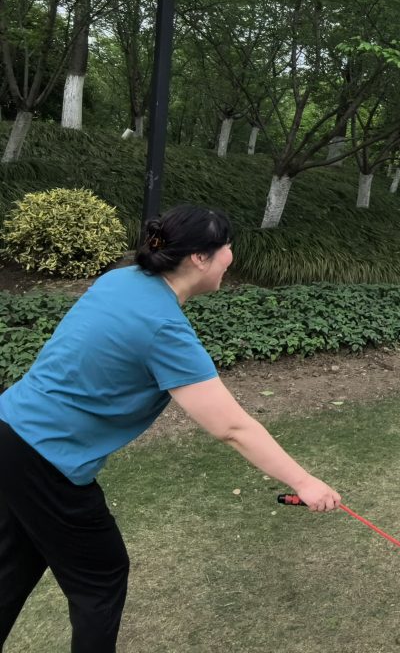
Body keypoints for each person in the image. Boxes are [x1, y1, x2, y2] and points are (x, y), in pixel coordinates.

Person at [0, 205, 341, 652]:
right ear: (200, 257)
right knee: (101, 575)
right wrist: (304, 481)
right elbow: (232, 427)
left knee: (15, 561)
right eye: (226, 248)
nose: (230, 257)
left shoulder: (121, 280)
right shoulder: (164, 328)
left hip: (9, 429)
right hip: (44, 457)